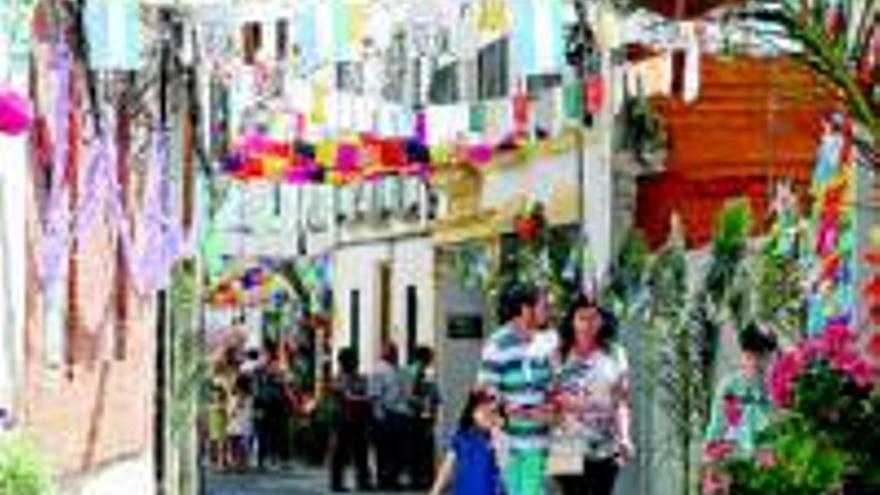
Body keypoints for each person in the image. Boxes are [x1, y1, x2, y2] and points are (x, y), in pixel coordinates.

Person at [551, 295, 634, 495]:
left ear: (602, 320)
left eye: (594, 317)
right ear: (572, 321)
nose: (588, 324)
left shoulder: (615, 353)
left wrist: (625, 437)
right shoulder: (557, 354)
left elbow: (621, 401)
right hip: (565, 444)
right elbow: (546, 396)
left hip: (605, 444)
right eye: (582, 318)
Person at [478, 283, 555, 495]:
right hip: (512, 444)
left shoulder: (547, 342)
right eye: (545, 305)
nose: (550, 310)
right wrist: (506, 413)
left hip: (547, 443)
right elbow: (486, 397)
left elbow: (555, 386)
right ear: (525, 309)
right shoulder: (498, 345)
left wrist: (551, 406)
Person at [704, 323, 777, 460]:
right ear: (743, 355)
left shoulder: (774, 388)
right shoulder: (730, 386)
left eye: (761, 357)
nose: (755, 363)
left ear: (770, 357)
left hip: (768, 460)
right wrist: (711, 455)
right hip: (735, 460)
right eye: (750, 357)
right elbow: (716, 426)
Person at [429, 390, 506, 495]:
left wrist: (497, 435)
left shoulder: (498, 439)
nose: (487, 416)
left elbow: (504, 468)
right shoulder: (462, 436)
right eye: (482, 410)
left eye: (492, 412)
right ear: (472, 412)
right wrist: (434, 491)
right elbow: (446, 468)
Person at [330, 347, 373, 492]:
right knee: (340, 452)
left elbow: (364, 392)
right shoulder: (339, 378)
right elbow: (344, 396)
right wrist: (360, 397)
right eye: (352, 360)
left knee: (361, 451)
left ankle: (363, 480)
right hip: (343, 420)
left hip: (358, 419)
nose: (356, 362)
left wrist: (361, 396)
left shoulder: (359, 377)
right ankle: (337, 483)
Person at [370, 341, 408, 490]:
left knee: (397, 450)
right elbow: (375, 395)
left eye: (395, 351)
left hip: (398, 413)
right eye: (392, 351)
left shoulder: (396, 369)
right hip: (386, 414)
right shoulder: (379, 370)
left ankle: (392, 478)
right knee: (385, 450)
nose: (395, 354)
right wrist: (379, 416)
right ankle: (383, 480)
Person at [405, 345, 442, 490]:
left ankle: (423, 478)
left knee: (422, 448)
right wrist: (424, 401)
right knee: (419, 448)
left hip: (422, 415)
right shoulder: (415, 371)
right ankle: (419, 479)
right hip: (417, 416)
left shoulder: (424, 372)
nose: (431, 359)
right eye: (430, 357)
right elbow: (409, 395)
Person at [227, 373, 254, 470]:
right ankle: (241, 462)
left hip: (238, 421)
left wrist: (230, 414)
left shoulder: (241, 395)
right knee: (239, 443)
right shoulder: (248, 395)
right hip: (243, 422)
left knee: (236, 442)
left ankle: (238, 462)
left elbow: (237, 407)